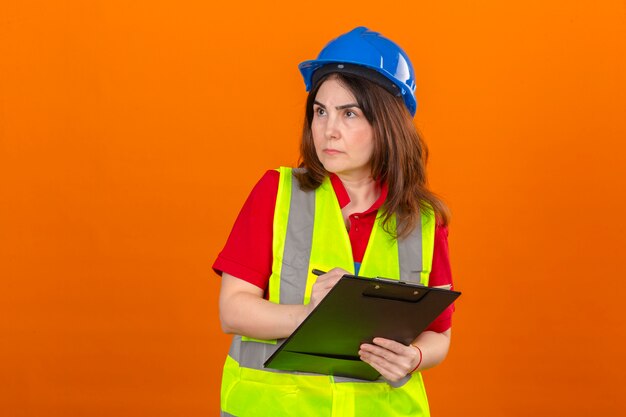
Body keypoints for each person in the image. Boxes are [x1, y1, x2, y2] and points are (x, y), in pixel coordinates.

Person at [213, 26, 455, 417]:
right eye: (320, 111)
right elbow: (233, 310)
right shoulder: (277, 193)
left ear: (387, 125)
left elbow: (440, 334)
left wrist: (413, 357)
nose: (328, 129)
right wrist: (310, 316)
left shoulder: (423, 219)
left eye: (349, 113)